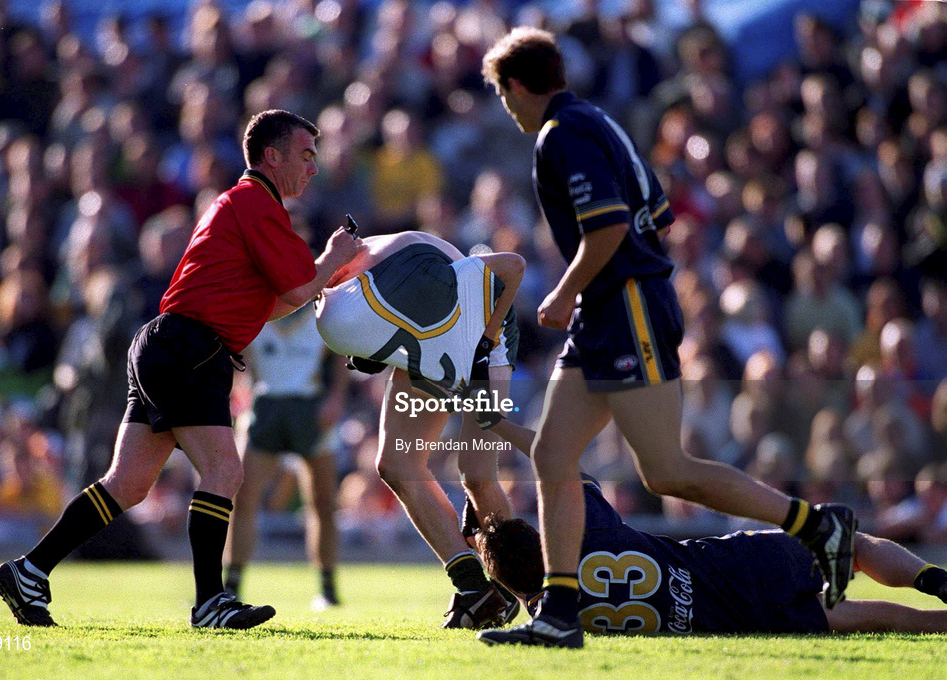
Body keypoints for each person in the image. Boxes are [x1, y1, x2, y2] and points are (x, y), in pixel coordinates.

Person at [480, 28, 856, 648]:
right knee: (553, 456)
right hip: (612, 309)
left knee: (666, 471)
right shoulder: (598, 121)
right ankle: (560, 614)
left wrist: (566, 290)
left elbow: (608, 228)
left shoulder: (561, 134)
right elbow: (659, 214)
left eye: (503, 94)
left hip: (623, 306)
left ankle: (815, 525)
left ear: (518, 86)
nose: (507, 107)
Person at [0, 110, 364, 629]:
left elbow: (275, 303)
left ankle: (28, 571)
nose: (314, 168)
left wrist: (318, 274)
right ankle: (210, 602)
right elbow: (299, 289)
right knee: (223, 472)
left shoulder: (242, 203)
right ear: (271, 157)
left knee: (127, 482)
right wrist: (332, 257)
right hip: (191, 348)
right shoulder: (257, 202)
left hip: (169, 342)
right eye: (305, 156)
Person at [314, 230, 525, 628]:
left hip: (486, 331)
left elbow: (512, 267)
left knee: (477, 475)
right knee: (396, 464)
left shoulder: (394, 268)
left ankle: (530, 593)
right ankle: (474, 589)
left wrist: (488, 338)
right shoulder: (360, 287)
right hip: (438, 334)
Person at [474, 475, 947, 638]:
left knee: (862, 618)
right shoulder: (586, 535)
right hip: (737, 563)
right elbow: (562, 463)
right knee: (855, 549)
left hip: (742, 621)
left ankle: (937, 624)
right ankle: (931, 580)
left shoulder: (551, 619)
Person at [223, 302, 348, 611]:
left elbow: (343, 356)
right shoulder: (254, 304)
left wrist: (335, 399)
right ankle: (231, 584)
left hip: (311, 408)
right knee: (242, 498)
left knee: (322, 503)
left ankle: (328, 588)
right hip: (265, 408)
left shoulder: (321, 309)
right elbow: (236, 356)